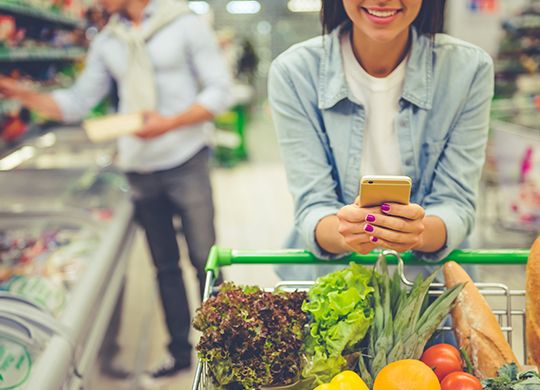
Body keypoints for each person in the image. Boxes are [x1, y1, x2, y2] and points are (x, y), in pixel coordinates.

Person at [0, 0, 232, 385]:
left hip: (186, 158)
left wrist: (169, 123)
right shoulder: (109, 40)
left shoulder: (184, 24)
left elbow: (219, 91)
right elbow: (76, 103)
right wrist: (20, 92)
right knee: (164, 267)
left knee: (205, 259)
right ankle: (178, 353)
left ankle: (225, 351)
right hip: (139, 167)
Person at [268, 0, 494, 280]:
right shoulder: (294, 72)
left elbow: (456, 202)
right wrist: (344, 231)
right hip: (330, 287)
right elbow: (313, 204)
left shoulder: (468, 69)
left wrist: (418, 232)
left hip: (430, 291)